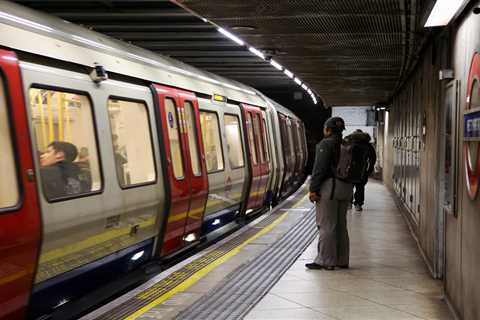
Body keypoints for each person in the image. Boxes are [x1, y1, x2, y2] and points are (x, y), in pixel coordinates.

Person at [306, 117, 353, 270]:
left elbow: (319, 168)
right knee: (340, 225)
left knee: (326, 225)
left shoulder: (325, 144)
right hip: (346, 188)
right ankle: (342, 260)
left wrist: (313, 189)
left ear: (327, 129)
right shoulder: (345, 144)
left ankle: (325, 261)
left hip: (330, 188)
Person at [345, 129, 376, 213]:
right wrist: (369, 169)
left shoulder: (349, 142)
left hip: (349, 169)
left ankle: (348, 203)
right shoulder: (367, 145)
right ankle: (358, 204)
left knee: (349, 187)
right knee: (360, 188)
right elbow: (372, 158)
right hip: (362, 170)